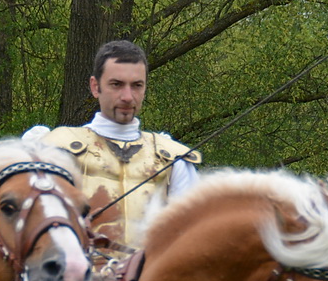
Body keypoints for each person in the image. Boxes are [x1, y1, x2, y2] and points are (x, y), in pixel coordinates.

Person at [28, 40, 200, 243]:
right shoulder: (55, 148)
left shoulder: (173, 158)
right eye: (116, 84)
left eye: (136, 85)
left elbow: (192, 238)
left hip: (150, 274)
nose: (127, 97)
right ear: (95, 86)